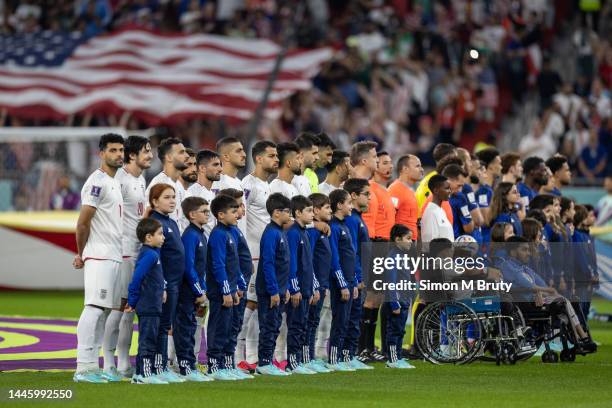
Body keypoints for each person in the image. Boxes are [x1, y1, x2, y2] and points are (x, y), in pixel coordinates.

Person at [73, 133, 125, 383]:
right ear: (101, 153)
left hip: (113, 255)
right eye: (113, 150)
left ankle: (94, 366)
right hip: (100, 254)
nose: (118, 155)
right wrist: (80, 253)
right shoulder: (96, 182)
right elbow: (83, 222)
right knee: (93, 308)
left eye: (121, 150)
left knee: (103, 312)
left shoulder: (113, 181)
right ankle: (83, 366)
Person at [102, 135, 152, 379]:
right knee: (118, 307)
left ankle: (123, 362)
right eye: (146, 151)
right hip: (122, 251)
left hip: (137, 250)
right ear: (132, 155)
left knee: (130, 308)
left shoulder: (140, 180)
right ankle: (108, 362)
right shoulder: (119, 179)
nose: (150, 156)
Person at [501, 237, 596, 353]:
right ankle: (581, 337)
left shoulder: (526, 269)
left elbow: (543, 285)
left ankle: (578, 338)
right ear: (513, 251)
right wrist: (540, 291)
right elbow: (527, 284)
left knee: (572, 301)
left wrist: (542, 291)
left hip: (537, 301)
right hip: (524, 305)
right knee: (563, 303)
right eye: (524, 250)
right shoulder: (507, 266)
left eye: (528, 250)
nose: (528, 253)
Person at [239, 140, 278, 371]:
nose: (276, 160)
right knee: (249, 305)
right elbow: (241, 218)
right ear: (259, 158)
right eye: (271, 156)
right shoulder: (247, 184)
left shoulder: (270, 186)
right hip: (253, 253)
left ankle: (252, 358)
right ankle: (237, 357)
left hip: (268, 255)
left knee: (259, 306)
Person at [147, 183, 186, 383]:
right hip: (165, 284)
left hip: (175, 283)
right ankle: (157, 367)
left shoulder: (170, 222)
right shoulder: (155, 223)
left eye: (173, 197)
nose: (172, 201)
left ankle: (161, 366)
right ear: (154, 201)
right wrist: (162, 284)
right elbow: (156, 257)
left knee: (165, 326)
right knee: (161, 327)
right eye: (167, 197)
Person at [216, 188, 254, 380]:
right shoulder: (222, 233)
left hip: (239, 286)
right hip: (229, 288)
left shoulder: (234, 230)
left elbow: (238, 263)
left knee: (234, 326)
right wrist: (230, 288)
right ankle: (218, 364)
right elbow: (221, 264)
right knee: (223, 326)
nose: (242, 210)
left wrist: (240, 283)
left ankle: (229, 363)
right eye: (238, 206)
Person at [125, 218, 168, 384]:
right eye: (160, 234)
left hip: (154, 304)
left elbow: (154, 277)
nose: (163, 237)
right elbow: (137, 277)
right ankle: (142, 374)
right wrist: (133, 300)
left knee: (151, 339)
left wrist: (162, 290)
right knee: (147, 340)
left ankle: (143, 373)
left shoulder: (153, 253)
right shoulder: (149, 254)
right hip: (148, 305)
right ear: (149, 237)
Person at [206, 194, 242, 380]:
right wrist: (226, 290)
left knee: (228, 328)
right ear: (220, 215)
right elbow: (218, 265)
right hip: (220, 291)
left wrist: (234, 288)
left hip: (229, 289)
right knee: (219, 327)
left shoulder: (230, 232)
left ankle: (224, 365)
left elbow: (233, 265)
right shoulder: (219, 234)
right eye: (233, 211)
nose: (237, 214)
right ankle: (214, 366)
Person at [256, 193, 292, 376]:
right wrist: (273, 290)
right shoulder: (271, 233)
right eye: (287, 211)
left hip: (279, 289)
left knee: (275, 325)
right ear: (277, 213)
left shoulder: (280, 232)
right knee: (269, 326)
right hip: (270, 290)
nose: (290, 215)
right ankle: (263, 362)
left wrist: (283, 289)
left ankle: (267, 361)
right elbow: (268, 263)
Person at [177, 197, 211, 382]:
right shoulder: (190, 235)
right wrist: (199, 291)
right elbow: (188, 267)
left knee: (191, 329)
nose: (208, 214)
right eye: (204, 211)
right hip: (187, 291)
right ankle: (185, 367)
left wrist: (202, 289)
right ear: (191, 215)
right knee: (185, 329)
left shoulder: (200, 234)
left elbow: (201, 267)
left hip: (196, 289)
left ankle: (189, 365)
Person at [285, 195, 318, 374]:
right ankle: (292, 362)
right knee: (295, 326)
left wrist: (312, 286)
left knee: (303, 325)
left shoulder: (304, 232)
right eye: (309, 211)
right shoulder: (293, 233)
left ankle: (299, 360)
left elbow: (309, 263)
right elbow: (291, 264)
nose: (312, 214)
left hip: (306, 288)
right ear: (297, 212)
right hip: (298, 289)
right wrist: (295, 288)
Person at [343, 178, 374, 370]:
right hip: (354, 278)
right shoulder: (352, 220)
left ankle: (350, 354)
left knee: (354, 318)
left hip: (359, 276)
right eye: (366, 194)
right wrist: (358, 278)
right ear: (353, 195)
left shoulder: (358, 219)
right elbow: (351, 252)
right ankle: (345, 356)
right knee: (349, 319)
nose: (370, 198)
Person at [327, 189, 358, 371]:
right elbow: (335, 259)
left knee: (345, 320)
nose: (351, 206)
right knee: (339, 320)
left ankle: (340, 357)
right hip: (341, 283)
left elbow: (351, 257)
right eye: (348, 202)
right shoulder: (335, 228)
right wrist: (343, 284)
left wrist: (352, 281)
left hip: (349, 281)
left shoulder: (345, 226)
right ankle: (333, 359)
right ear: (339, 205)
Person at [306, 193, 333, 372]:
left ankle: (311, 356)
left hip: (322, 284)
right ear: (316, 211)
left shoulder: (323, 230)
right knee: (308, 322)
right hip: (314, 285)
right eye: (327, 207)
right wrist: (315, 284)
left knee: (313, 321)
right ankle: (305, 357)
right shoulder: (314, 232)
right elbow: (309, 261)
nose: (330, 210)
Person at [383, 224, 416, 369]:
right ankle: (392, 359)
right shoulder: (393, 257)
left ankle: (398, 356)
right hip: (396, 301)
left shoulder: (402, 256)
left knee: (400, 330)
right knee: (394, 330)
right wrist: (394, 302)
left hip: (404, 300)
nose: (411, 241)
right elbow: (390, 281)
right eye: (408, 238)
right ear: (397, 239)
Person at [145, 138, 189, 230]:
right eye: (181, 152)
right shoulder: (159, 184)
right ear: (169, 157)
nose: (187, 156)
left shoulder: (179, 185)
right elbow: (147, 216)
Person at [213, 137, 247, 233]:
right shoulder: (221, 183)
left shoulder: (238, 182)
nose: (244, 154)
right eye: (238, 151)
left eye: (243, 150)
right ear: (226, 157)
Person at [186, 149, 222, 237]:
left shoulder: (212, 194)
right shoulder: (192, 195)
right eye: (215, 165)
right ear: (202, 168)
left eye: (220, 165)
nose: (220, 169)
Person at [388, 154, 423, 240]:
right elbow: (389, 217)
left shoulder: (410, 191)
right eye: (417, 166)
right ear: (405, 169)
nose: (421, 169)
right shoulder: (395, 189)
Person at [415, 143, 456, 210]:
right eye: (453, 160)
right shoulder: (433, 182)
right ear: (443, 160)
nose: (456, 163)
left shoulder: (439, 179)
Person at [421, 175, 454, 249]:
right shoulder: (430, 213)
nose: (450, 191)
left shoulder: (441, 210)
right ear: (436, 190)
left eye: (450, 188)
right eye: (446, 188)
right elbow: (430, 244)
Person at [443, 164, 474, 238]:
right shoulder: (460, 198)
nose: (460, 190)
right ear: (448, 180)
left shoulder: (432, 196)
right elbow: (469, 228)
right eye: (459, 185)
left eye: (462, 186)